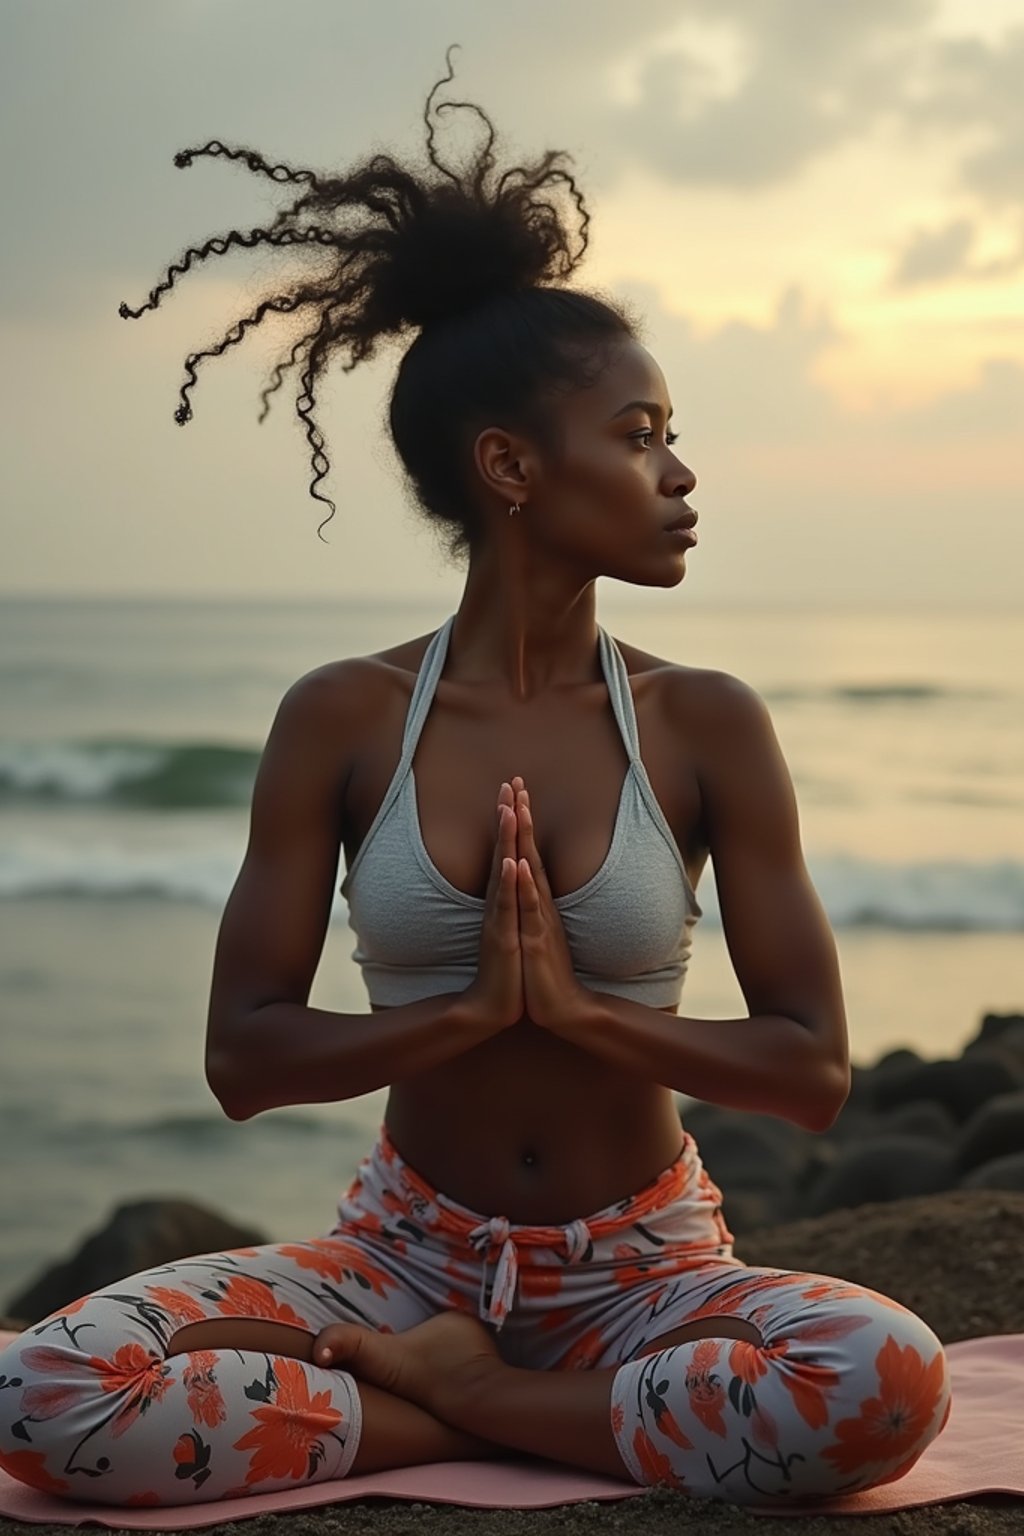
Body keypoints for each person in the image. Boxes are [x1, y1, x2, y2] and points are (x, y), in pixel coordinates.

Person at [0, 45, 950, 1510]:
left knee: (883, 1381)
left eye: (671, 436)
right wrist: (461, 1018)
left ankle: (472, 1401)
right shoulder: (345, 717)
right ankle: (512, 1407)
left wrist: (579, 1015)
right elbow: (245, 1058)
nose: (680, 473)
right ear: (511, 467)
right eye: (639, 437)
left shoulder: (705, 724)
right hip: (399, 1260)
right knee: (49, 1391)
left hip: (648, 1270)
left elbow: (814, 1074)